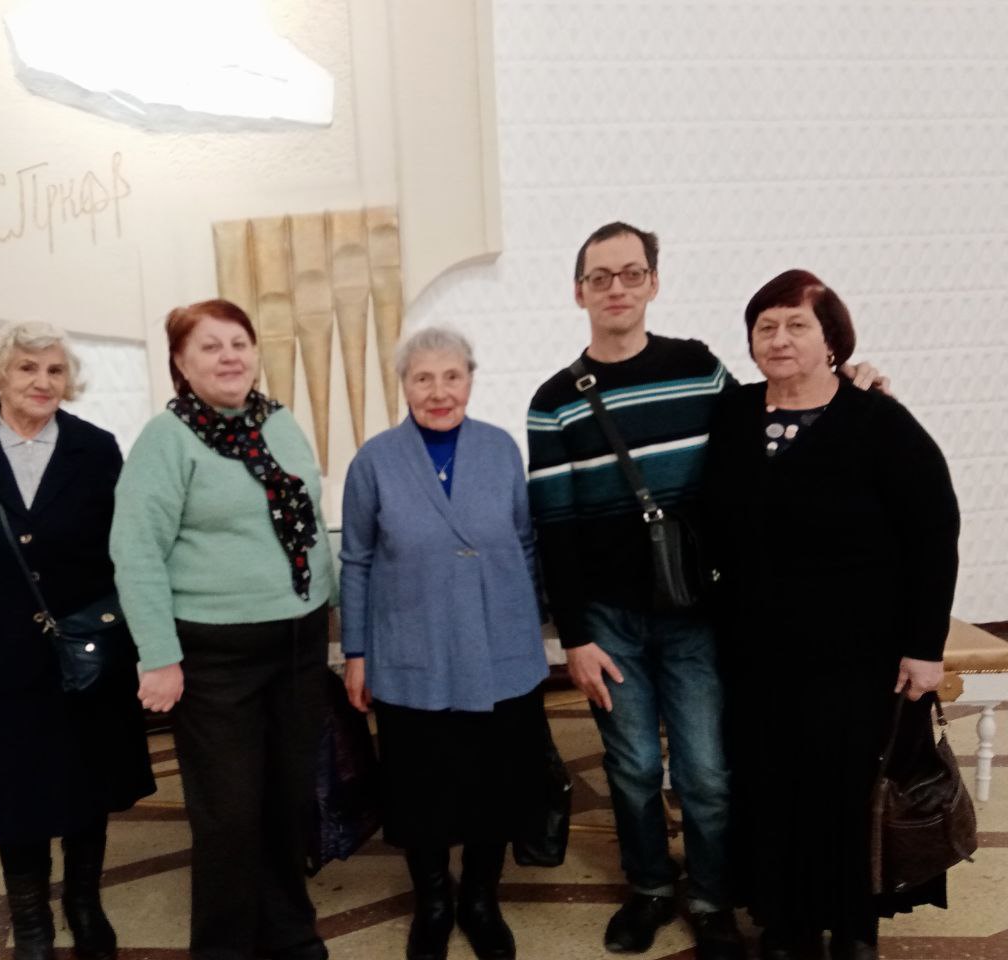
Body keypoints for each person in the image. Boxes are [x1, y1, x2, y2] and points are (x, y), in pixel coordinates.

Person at [526, 223, 887, 960]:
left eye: (632, 273)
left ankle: (711, 896)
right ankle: (650, 888)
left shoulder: (696, 369)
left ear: (654, 283)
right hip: (609, 620)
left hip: (696, 612)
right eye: (600, 277)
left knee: (708, 773)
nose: (617, 288)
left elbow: (773, 409)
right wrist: (576, 639)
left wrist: (847, 382)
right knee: (631, 767)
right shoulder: (554, 401)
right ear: (578, 293)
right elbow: (553, 530)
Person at [704, 270, 959, 960]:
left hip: (856, 654)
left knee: (843, 789)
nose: (779, 339)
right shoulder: (733, 414)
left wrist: (925, 646)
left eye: (797, 325)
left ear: (833, 341)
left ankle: (852, 927)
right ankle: (783, 922)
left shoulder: (878, 421)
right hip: (755, 651)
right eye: (765, 326)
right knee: (768, 784)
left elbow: (933, 532)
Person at [110, 299, 335, 960]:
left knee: (289, 801)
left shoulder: (279, 422)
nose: (229, 356)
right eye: (210, 346)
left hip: (297, 645)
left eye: (239, 342)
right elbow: (136, 551)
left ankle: (290, 931)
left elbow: (311, 526)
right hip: (216, 659)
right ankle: (224, 947)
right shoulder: (167, 439)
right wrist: (158, 656)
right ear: (181, 364)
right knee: (229, 815)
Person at [0, 322, 155, 960]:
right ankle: (31, 922)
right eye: (27, 368)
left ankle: (84, 902)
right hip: (2, 663)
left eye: (55, 370)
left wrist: (143, 650)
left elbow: (126, 556)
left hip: (87, 656)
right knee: (17, 792)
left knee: (87, 783)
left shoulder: (95, 448)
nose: (42, 381)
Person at [341, 327, 549, 960]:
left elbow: (525, 543)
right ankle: (433, 901)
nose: (439, 391)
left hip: (499, 647)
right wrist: (357, 652)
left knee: (496, 783)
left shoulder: (500, 448)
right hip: (414, 649)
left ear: (470, 379)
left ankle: (481, 899)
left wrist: (526, 627)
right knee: (420, 787)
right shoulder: (374, 461)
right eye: (423, 378)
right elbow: (357, 561)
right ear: (403, 386)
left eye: (451, 376)